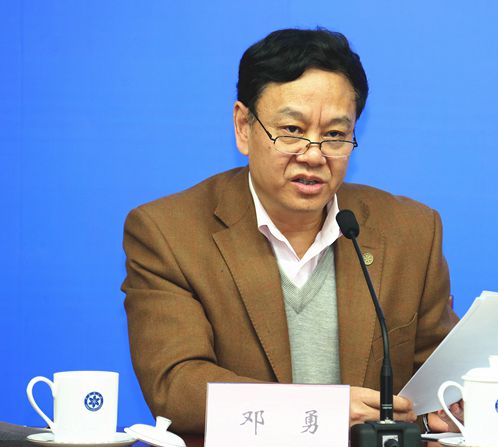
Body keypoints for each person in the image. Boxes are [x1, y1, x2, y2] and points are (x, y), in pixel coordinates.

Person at [122, 28, 461, 434]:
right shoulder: (169, 233)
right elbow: (176, 387)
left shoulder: (411, 230)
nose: (314, 155)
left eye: (334, 135)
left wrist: (449, 404)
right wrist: (322, 410)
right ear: (243, 126)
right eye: (293, 131)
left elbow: (438, 378)